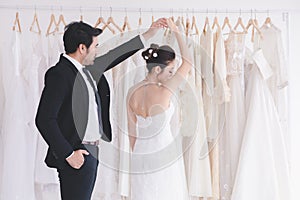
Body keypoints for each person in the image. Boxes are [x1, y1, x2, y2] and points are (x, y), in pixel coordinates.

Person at [35, 18, 167, 200]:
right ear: (82, 48)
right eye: (95, 46)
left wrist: (148, 35)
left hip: (90, 153)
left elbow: (118, 53)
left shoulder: (88, 69)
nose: (97, 51)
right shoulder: (60, 74)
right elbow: (44, 119)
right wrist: (68, 154)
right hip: (77, 154)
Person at [127, 18, 192, 200]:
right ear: (156, 69)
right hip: (163, 154)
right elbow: (188, 62)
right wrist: (176, 31)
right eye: (170, 70)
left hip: (140, 155)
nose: (171, 75)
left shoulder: (131, 93)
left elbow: (132, 136)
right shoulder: (166, 91)